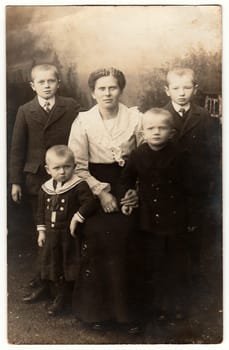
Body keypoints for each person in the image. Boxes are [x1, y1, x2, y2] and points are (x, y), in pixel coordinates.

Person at [68, 67, 142, 333]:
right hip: (93, 187)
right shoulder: (83, 121)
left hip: (128, 183)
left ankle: (129, 313)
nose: (107, 93)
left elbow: (144, 160)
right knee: (99, 232)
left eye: (112, 87)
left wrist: (135, 192)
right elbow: (78, 166)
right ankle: (95, 311)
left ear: (120, 90)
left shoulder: (135, 117)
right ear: (93, 92)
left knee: (128, 231)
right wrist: (101, 193)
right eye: (101, 88)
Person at [119, 108, 203, 321]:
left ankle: (177, 305)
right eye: (150, 128)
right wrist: (128, 194)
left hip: (176, 218)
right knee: (153, 263)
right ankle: (156, 306)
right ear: (143, 132)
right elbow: (126, 179)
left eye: (162, 128)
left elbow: (192, 189)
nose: (156, 132)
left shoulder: (181, 155)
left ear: (171, 132)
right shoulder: (138, 154)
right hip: (149, 219)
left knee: (176, 264)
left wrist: (192, 219)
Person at [9, 63, 80, 301]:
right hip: (36, 178)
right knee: (42, 231)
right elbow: (18, 148)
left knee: (62, 231)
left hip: (65, 176)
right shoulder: (25, 110)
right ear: (33, 85)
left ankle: (62, 282)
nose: (47, 86)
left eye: (51, 81)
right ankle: (42, 279)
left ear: (58, 83)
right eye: (41, 82)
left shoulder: (70, 106)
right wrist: (15, 181)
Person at [163, 67, 221, 287]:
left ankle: (194, 271)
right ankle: (172, 275)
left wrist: (211, 181)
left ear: (195, 89)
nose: (181, 93)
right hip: (169, 183)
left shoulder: (204, 116)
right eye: (176, 88)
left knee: (195, 227)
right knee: (172, 228)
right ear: (167, 90)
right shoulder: (161, 115)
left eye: (187, 87)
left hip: (197, 183)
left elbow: (213, 151)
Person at [36, 145, 97, 316]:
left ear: (74, 166)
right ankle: (57, 295)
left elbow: (90, 203)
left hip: (68, 236)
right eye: (57, 168)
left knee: (69, 265)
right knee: (53, 264)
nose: (62, 172)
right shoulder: (45, 188)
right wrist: (41, 231)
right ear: (48, 169)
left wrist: (78, 216)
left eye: (67, 166)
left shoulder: (78, 185)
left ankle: (69, 298)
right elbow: (40, 211)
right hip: (52, 235)